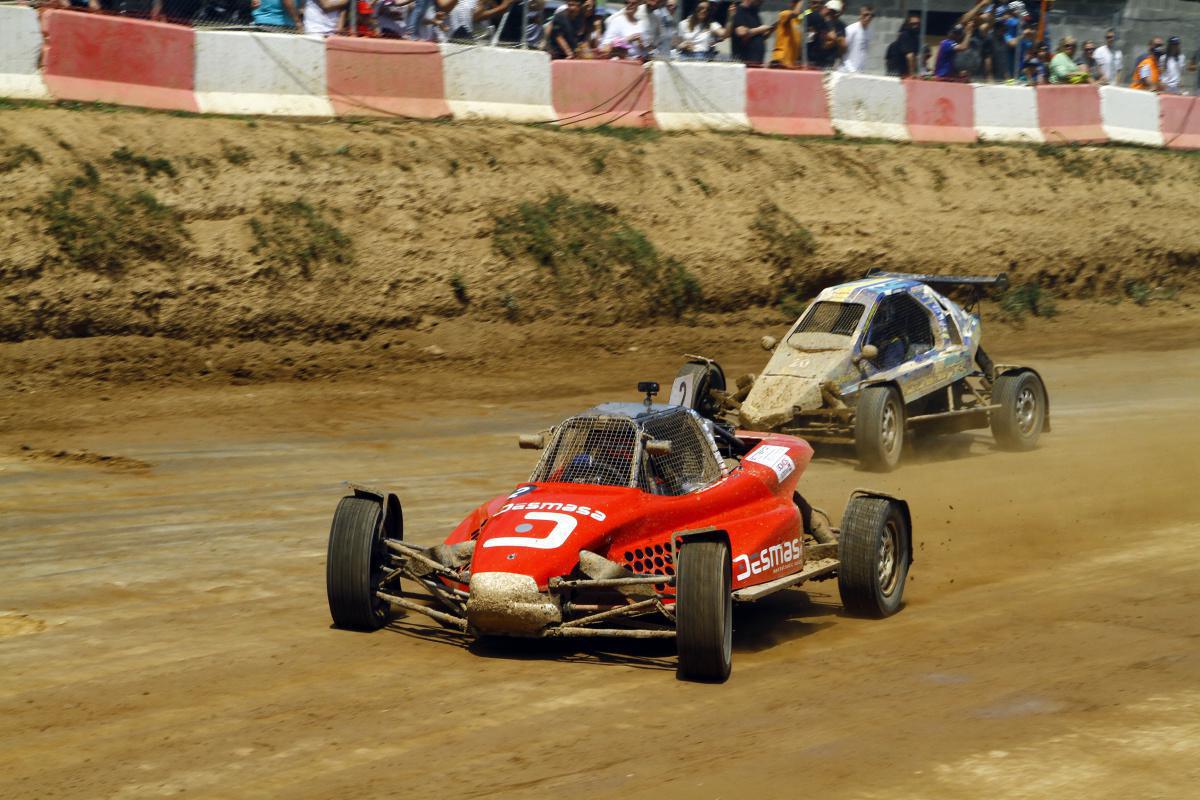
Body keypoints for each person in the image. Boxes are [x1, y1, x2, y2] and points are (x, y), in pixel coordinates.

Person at [731, 0, 771, 66]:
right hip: (744, 64)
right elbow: (741, 32)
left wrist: (767, 32)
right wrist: (761, 29)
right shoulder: (738, 11)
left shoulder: (754, 12)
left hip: (756, 62)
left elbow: (756, 35)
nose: (762, 2)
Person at [768, 0, 803, 68]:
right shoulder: (785, 14)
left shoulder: (798, 20)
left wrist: (812, 7)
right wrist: (801, 1)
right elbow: (796, 13)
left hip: (790, 62)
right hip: (781, 60)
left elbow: (807, 12)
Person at [885, 12, 920, 77]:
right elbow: (910, 56)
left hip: (901, 72)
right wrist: (912, 74)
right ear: (908, 24)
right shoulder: (905, 35)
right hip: (897, 72)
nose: (916, 26)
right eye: (913, 24)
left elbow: (915, 57)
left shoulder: (915, 37)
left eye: (918, 23)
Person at [840, 5, 873, 73]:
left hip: (859, 71)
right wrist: (851, 69)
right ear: (860, 15)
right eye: (866, 15)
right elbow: (842, 51)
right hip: (846, 71)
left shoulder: (870, 31)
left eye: (872, 15)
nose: (868, 17)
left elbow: (864, 51)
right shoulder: (851, 29)